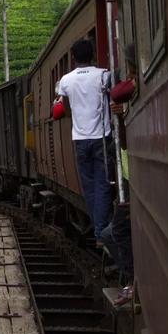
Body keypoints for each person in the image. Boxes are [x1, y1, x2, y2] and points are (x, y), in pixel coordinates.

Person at [57, 39, 113, 246]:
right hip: (101, 136)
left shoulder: (66, 81)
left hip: (80, 140)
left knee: (89, 187)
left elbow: (64, 107)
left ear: (73, 57)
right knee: (103, 184)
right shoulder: (104, 75)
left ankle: (99, 228)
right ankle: (100, 231)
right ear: (94, 55)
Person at [102, 44, 138, 306]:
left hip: (135, 181)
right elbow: (123, 145)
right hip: (130, 178)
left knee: (115, 232)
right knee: (110, 232)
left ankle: (133, 281)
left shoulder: (133, 88)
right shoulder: (130, 92)